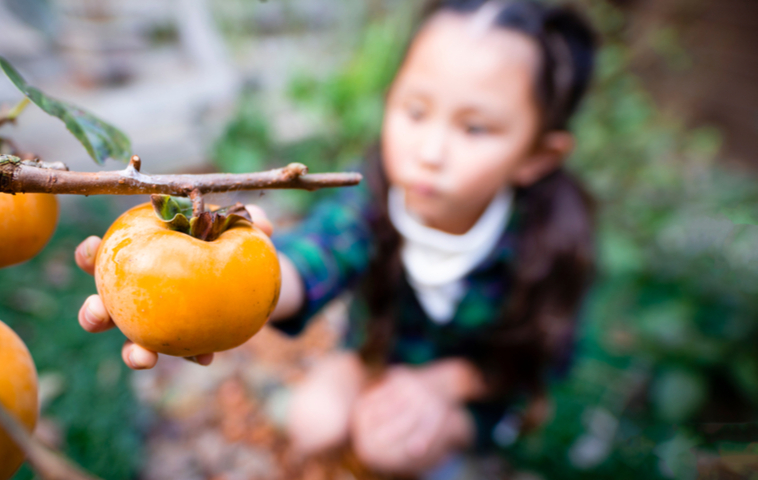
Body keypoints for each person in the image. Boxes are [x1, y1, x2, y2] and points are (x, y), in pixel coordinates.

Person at [74, 0, 597, 475]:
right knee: (312, 422)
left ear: (537, 156)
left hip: (474, 386)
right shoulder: (371, 206)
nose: (430, 150)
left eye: (474, 128)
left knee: (392, 450)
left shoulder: (547, 243)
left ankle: (454, 452)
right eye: (415, 111)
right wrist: (218, 279)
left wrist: (443, 386)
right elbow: (312, 259)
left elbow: (543, 354)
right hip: (371, 355)